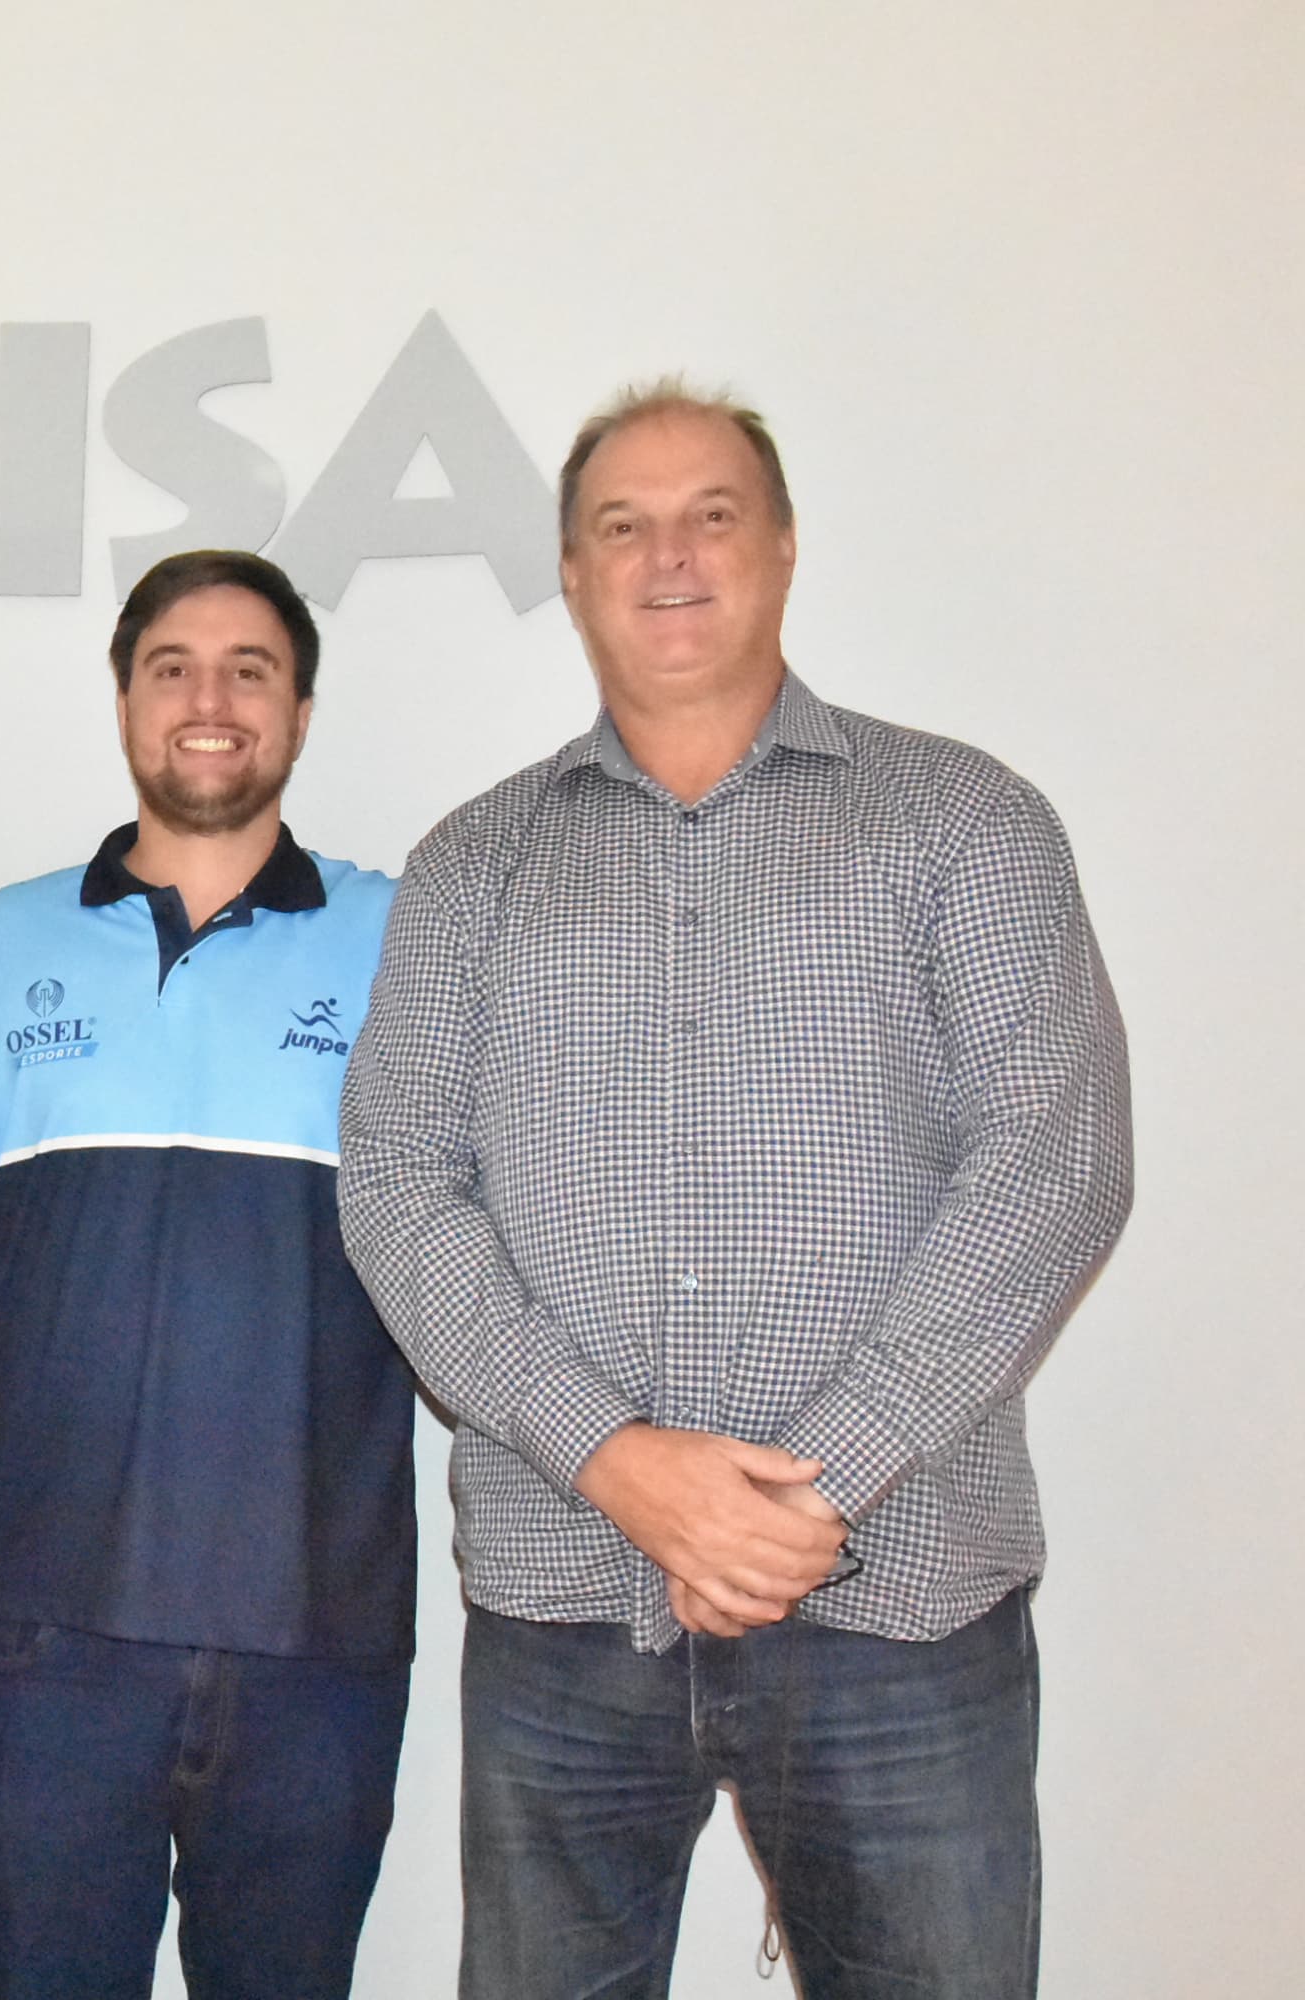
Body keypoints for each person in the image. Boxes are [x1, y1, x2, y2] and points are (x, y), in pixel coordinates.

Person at [339, 381, 1135, 1998]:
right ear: (574, 577)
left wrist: (808, 1491)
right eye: (622, 527)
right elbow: (400, 1183)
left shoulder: (964, 820)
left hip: (903, 1594)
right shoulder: (472, 865)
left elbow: (1056, 1158)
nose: (670, 557)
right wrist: (616, 1459)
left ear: (781, 546)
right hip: (568, 1602)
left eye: (711, 516)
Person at [0, 550, 416, 2000]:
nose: (210, 699)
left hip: (319, 1629)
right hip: (52, 1629)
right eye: (173, 667)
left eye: (252, 670)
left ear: (301, 713)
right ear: (125, 703)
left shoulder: (402, 939)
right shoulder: (8, 940)